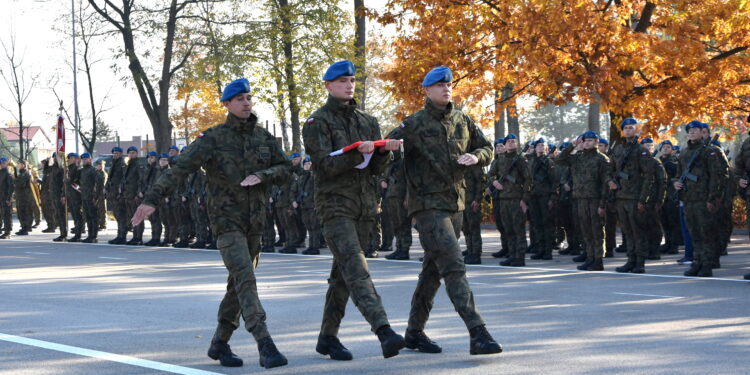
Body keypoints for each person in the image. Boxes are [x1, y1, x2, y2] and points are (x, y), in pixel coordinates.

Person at [132, 78, 292, 369]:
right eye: (240, 98)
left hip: (255, 222)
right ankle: (265, 343)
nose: (246, 102)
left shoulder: (263, 137)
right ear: (227, 105)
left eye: (249, 97)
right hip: (226, 221)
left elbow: (286, 168)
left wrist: (263, 175)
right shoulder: (213, 138)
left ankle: (219, 343)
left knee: (237, 285)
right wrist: (152, 199)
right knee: (245, 278)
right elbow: (181, 169)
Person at [385, 66, 502, 356]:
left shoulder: (463, 119)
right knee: (453, 265)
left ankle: (414, 332)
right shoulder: (413, 124)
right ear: (426, 90)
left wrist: (476, 156)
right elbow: (387, 149)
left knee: (432, 271)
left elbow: (487, 148)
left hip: (455, 204)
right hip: (427, 207)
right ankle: (478, 332)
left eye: (449, 84)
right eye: (439, 85)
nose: (446, 89)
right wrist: (391, 150)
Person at [303, 60, 404, 361]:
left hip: (364, 208)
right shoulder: (316, 122)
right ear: (328, 86)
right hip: (335, 207)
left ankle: (328, 338)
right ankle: (384, 330)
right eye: (342, 81)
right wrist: (354, 153)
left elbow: (375, 170)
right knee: (357, 270)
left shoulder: (367, 120)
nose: (349, 85)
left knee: (342, 276)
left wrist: (383, 152)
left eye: (352, 80)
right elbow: (324, 165)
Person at [673, 121, 728, 277]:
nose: (692, 132)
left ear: (701, 132)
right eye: (689, 130)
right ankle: (697, 262)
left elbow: (717, 177)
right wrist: (676, 183)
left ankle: (707, 264)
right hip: (689, 199)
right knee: (694, 232)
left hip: (704, 199)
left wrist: (712, 198)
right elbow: (678, 174)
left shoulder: (710, 151)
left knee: (707, 233)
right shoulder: (683, 153)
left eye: (695, 130)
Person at [555, 131, 611, 271]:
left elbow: (605, 183)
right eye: (585, 140)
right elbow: (560, 160)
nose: (587, 142)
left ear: (596, 142)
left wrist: (603, 204)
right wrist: (573, 145)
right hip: (580, 199)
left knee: (596, 231)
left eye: (591, 140)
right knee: (585, 230)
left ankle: (598, 260)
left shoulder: (602, 159)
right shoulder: (577, 157)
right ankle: (590, 258)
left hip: (595, 199)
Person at [609, 118, 655, 274]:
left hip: (635, 197)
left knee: (638, 231)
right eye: (626, 128)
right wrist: (611, 182)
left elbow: (649, 177)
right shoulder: (618, 149)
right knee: (627, 231)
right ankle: (630, 260)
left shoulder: (641, 150)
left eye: (631, 128)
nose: (628, 130)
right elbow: (611, 170)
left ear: (636, 130)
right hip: (621, 196)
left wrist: (643, 199)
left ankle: (639, 262)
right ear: (622, 131)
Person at [488, 133, 532, 267]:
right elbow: (489, 175)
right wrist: (494, 182)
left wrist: (524, 199)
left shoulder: (521, 160)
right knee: (508, 229)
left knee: (518, 229)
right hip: (503, 199)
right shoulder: (499, 160)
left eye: (514, 141)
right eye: (509, 142)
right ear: (505, 145)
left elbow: (528, 180)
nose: (511, 144)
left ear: (517, 144)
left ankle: (519, 257)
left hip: (516, 199)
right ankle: (511, 255)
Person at [291, 156, 321, 255]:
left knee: (314, 226)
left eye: (309, 164)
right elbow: (294, 190)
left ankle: (315, 247)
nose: (307, 166)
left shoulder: (315, 176)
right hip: (304, 205)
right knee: (308, 226)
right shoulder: (301, 177)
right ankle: (311, 246)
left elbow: (318, 191)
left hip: (313, 205)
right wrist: (294, 200)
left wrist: (317, 203)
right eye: (305, 164)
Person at [106, 147, 129, 244]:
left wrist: (121, 191)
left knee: (121, 215)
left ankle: (122, 236)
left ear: (121, 154)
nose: (115, 155)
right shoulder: (114, 164)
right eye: (114, 153)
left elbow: (125, 178)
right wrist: (106, 187)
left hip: (119, 194)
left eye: (117, 153)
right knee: (117, 214)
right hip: (113, 193)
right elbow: (110, 178)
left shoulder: (122, 164)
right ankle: (119, 235)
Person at [79, 153, 103, 243]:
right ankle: (90, 235)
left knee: (93, 217)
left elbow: (100, 181)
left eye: (86, 159)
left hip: (91, 197)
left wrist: (96, 196)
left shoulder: (92, 170)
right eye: (83, 159)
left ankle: (93, 236)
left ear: (90, 159)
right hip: (85, 197)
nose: (84, 160)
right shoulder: (83, 170)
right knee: (88, 217)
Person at [14, 160, 34, 235]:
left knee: (24, 212)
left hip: (24, 196)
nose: (18, 165)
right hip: (20, 196)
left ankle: (25, 229)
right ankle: (24, 227)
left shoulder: (25, 174)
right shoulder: (21, 173)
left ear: (23, 165)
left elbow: (21, 184)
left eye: (19, 164)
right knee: (21, 212)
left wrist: (15, 180)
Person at [0, 157, 13, 238]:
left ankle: (7, 232)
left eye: (2, 163)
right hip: (1, 197)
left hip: (6, 198)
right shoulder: (1, 172)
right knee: (2, 214)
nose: (1, 164)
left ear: (6, 163)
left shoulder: (8, 173)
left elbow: (11, 187)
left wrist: (9, 198)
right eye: (0, 163)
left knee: (7, 215)